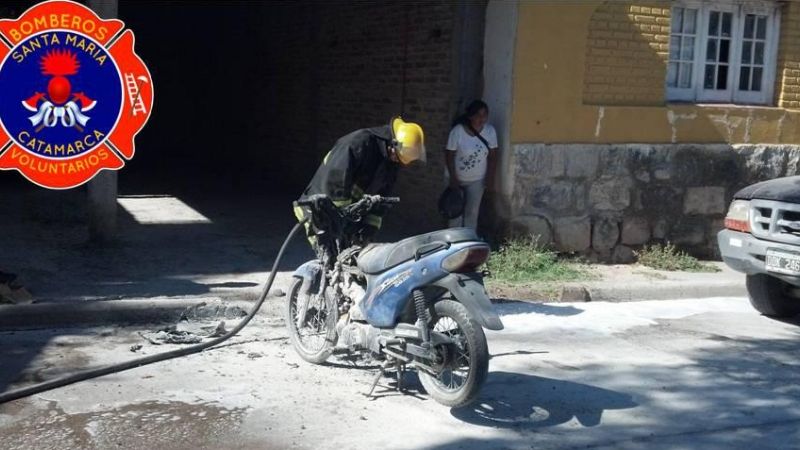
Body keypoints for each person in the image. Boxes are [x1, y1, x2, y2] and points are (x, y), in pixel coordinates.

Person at [295, 117, 426, 246]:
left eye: (399, 159)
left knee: (350, 253)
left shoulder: (390, 161)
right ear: (393, 143)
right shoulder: (358, 143)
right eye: (396, 156)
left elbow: (382, 196)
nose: (397, 161)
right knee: (330, 252)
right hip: (319, 207)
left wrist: (370, 227)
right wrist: (344, 219)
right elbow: (336, 182)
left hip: (347, 212)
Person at [445, 100, 498, 230]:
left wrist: (490, 179)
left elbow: (493, 156)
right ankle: (454, 239)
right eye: (478, 115)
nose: (481, 119)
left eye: (484, 115)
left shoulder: (490, 131)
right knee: (455, 213)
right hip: (456, 178)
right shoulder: (458, 131)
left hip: (477, 180)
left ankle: (469, 239)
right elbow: (449, 155)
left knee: (472, 213)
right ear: (470, 116)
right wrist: (453, 178)